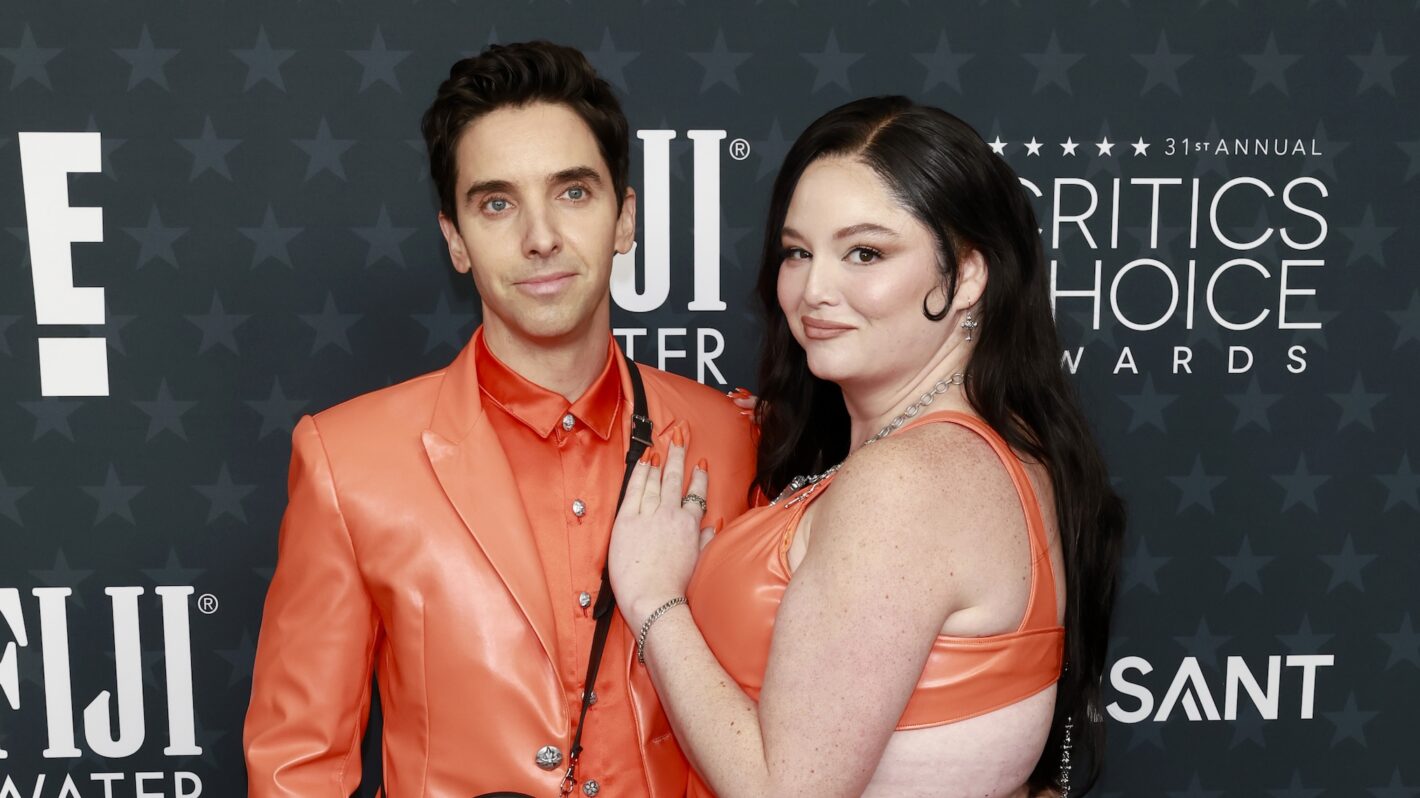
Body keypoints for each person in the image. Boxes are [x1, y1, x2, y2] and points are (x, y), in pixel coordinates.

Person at [243, 41, 756, 797]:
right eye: (497, 203)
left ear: (625, 218)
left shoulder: (729, 437)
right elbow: (298, 767)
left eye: (573, 192)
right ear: (455, 239)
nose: (540, 236)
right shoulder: (346, 460)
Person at [608, 96, 1125, 798]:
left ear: (968, 273)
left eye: (865, 253)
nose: (814, 289)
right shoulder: (999, 443)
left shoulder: (908, 481)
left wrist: (654, 600)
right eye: (797, 252)